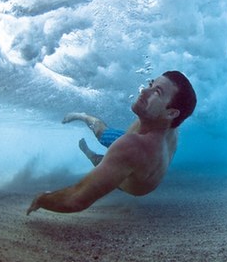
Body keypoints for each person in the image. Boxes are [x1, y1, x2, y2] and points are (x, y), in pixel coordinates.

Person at [27, 71, 196, 215]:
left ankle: (89, 152)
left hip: (133, 175)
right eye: (150, 84)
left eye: (157, 92)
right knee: (104, 135)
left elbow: (75, 200)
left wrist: (43, 199)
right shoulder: (171, 125)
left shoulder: (133, 147)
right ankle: (83, 116)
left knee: (100, 157)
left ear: (171, 112)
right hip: (141, 157)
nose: (144, 91)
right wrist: (157, 97)